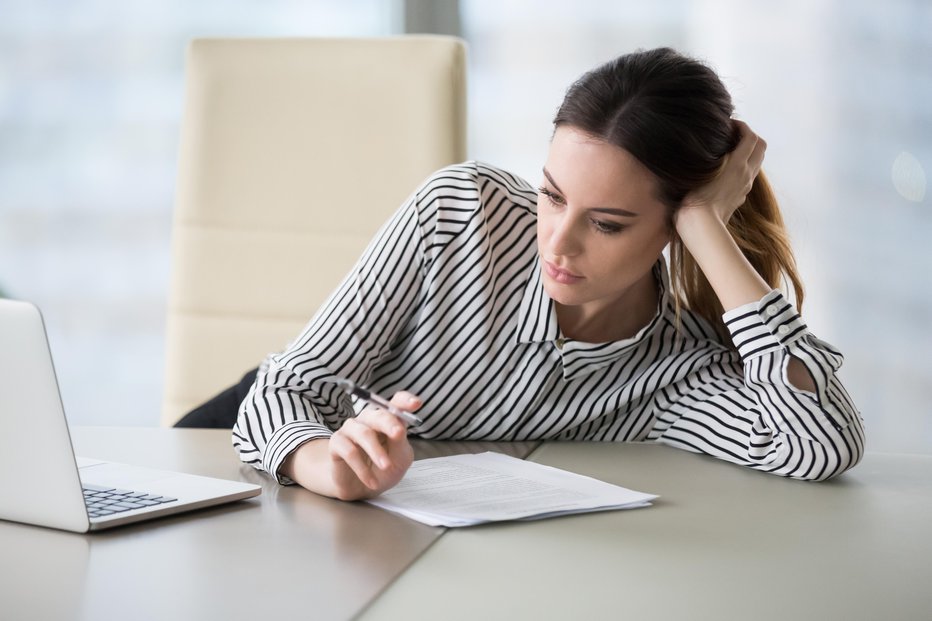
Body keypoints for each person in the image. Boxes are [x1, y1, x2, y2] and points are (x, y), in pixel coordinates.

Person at [231, 47, 865, 500]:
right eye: (552, 196)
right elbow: (280, 392)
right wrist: (325, 465)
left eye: (608, 224)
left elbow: (820, 444)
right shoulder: (460, 212)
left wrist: (705, 225)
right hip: (272, 462)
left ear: (674, 226)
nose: (557, 243)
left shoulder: (679, 371)